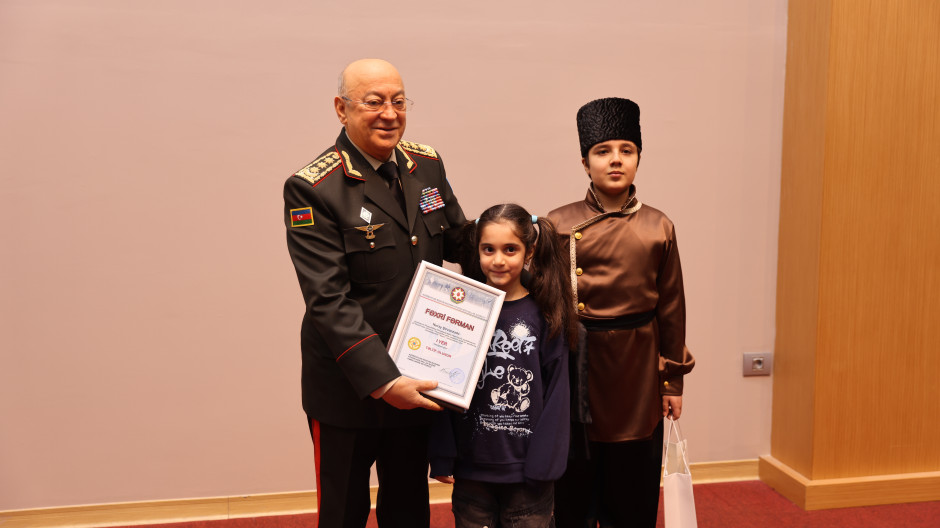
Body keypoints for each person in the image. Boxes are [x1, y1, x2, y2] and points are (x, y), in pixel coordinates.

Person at [283, 58, 466, 528]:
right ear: (341, 109)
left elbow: (459, 239)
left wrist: (521, 236)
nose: (389, 113)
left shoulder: (426, 165)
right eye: (374, 102)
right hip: (349, 389)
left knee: (408, 511)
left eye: (398, 101)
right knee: (343, 514)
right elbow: (328, 300)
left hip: (417, 374)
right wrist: (386, 382)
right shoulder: (313, 188)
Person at [547, 98, 695, 528]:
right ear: (585, 162)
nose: (615, 160)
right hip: (578, 363)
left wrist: (673, 381)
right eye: (603, 151)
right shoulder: (557, 223)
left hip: (637, 366)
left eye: (626, 150)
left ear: (638, 159)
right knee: (574, 485)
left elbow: (672, 307)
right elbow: (544, 304)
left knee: (632, 484)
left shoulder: (659, 226)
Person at [428, 203, 575, 528]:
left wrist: (545, 465)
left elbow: (557, 393)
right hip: (472, 472)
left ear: (529, 251)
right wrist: (442, 455)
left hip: (529, 475)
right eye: (488, 249)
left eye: (510, 249)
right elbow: (441, 383)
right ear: (476, 250)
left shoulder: (544, 313)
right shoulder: (460, 313)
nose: (498, 260)